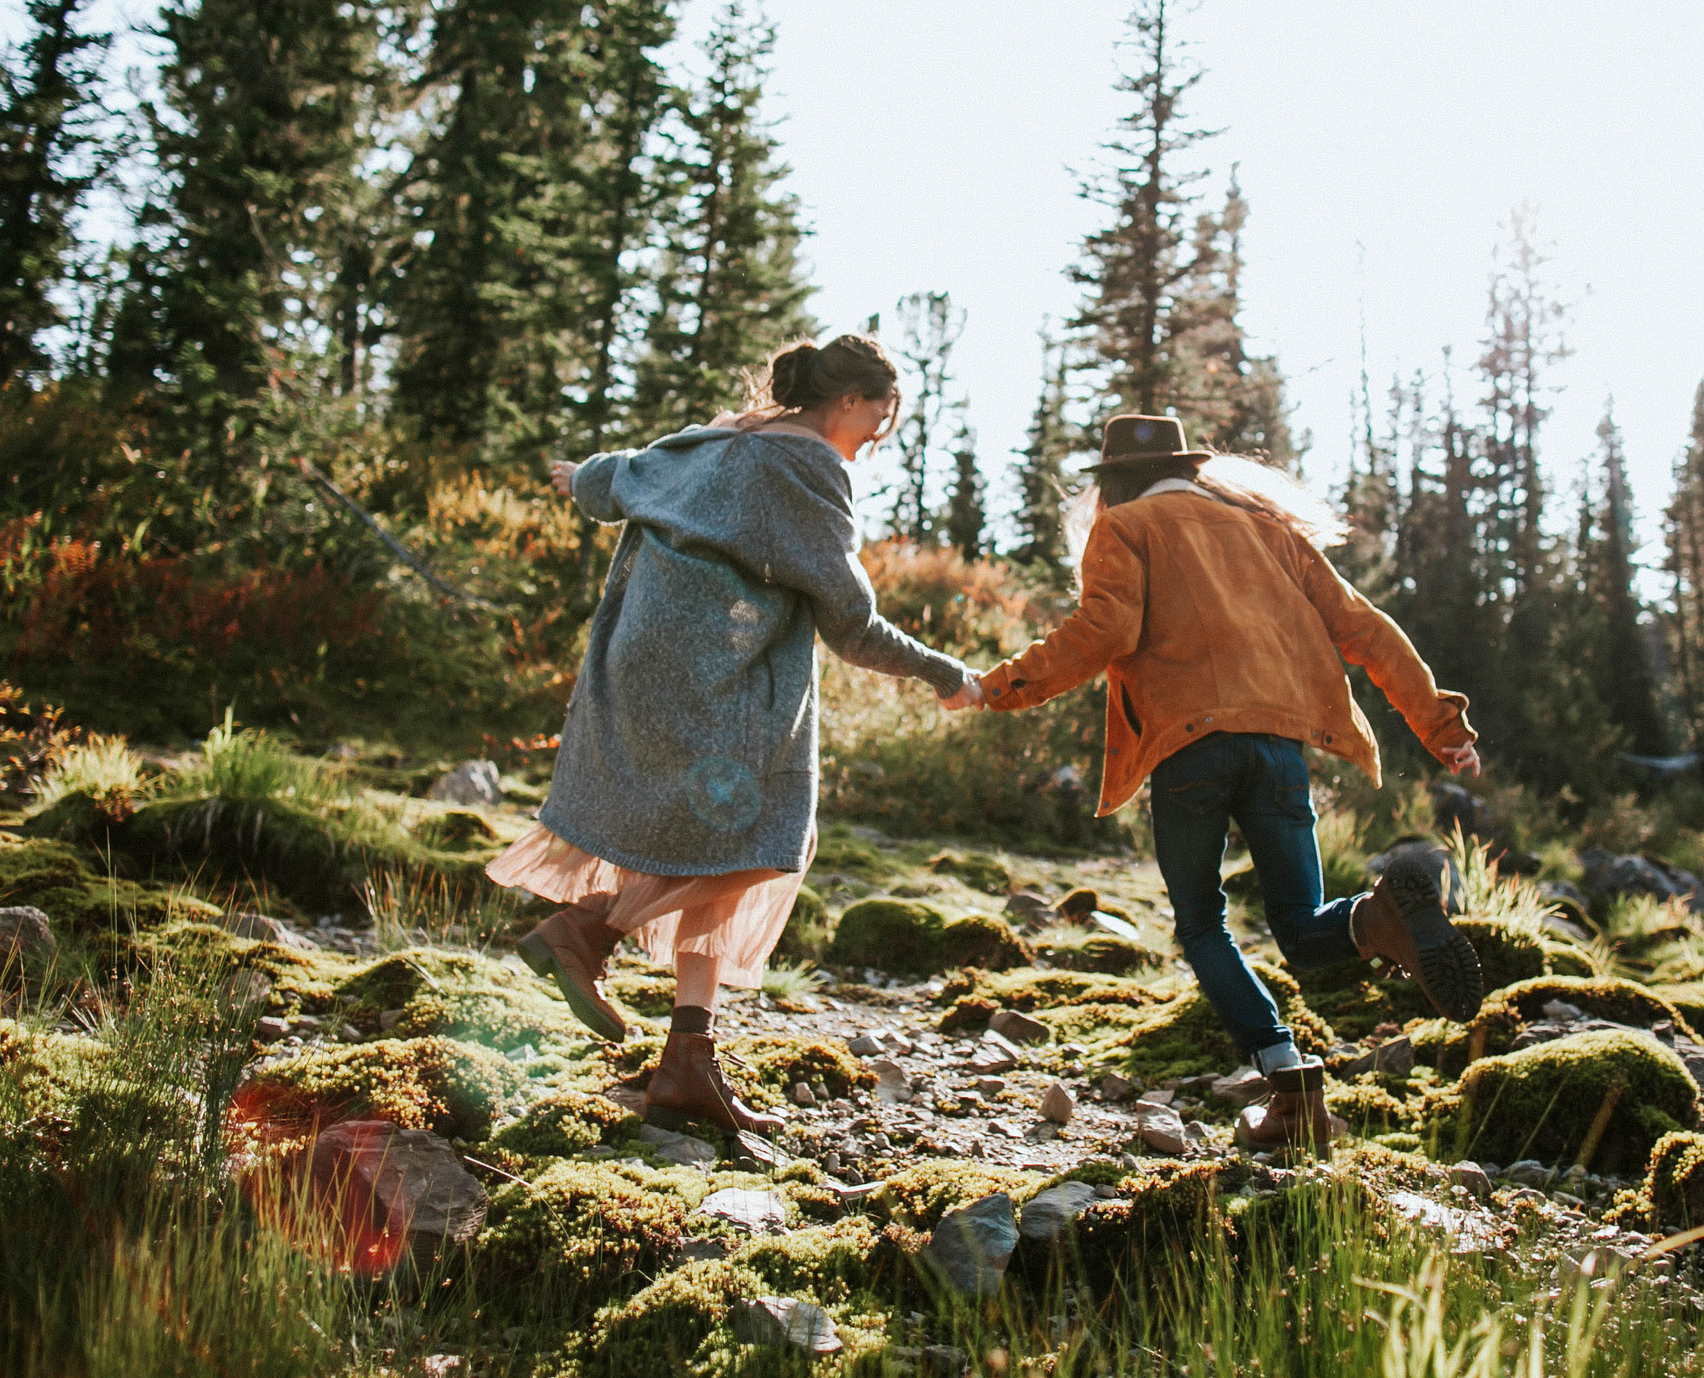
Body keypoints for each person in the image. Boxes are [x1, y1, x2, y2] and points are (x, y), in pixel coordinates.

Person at [949, 414, 1485, 1159]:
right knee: (1301, 925)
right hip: (1280, 744)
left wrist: (995, 687)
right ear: (1191, 468)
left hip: (1191, 747)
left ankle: (1285, 1073)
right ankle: (1377, 917)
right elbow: (1364, 626)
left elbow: (1101, 632)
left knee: (1202, 922)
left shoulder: (1127, 527)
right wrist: (1441, 725)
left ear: (1114, 482)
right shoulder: (1267, 529)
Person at [489, 334, 977, 1135]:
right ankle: (589, 926)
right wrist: (943, 671)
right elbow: (850, 624)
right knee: (764, 841)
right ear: (848, 401)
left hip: (640, 664)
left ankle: (687, 1061)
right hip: (719, 681)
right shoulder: (809, 467)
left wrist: (579, 477)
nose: (879, 436)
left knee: (722, 841)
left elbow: (617, 478)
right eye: (881, 417)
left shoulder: (720, 437)